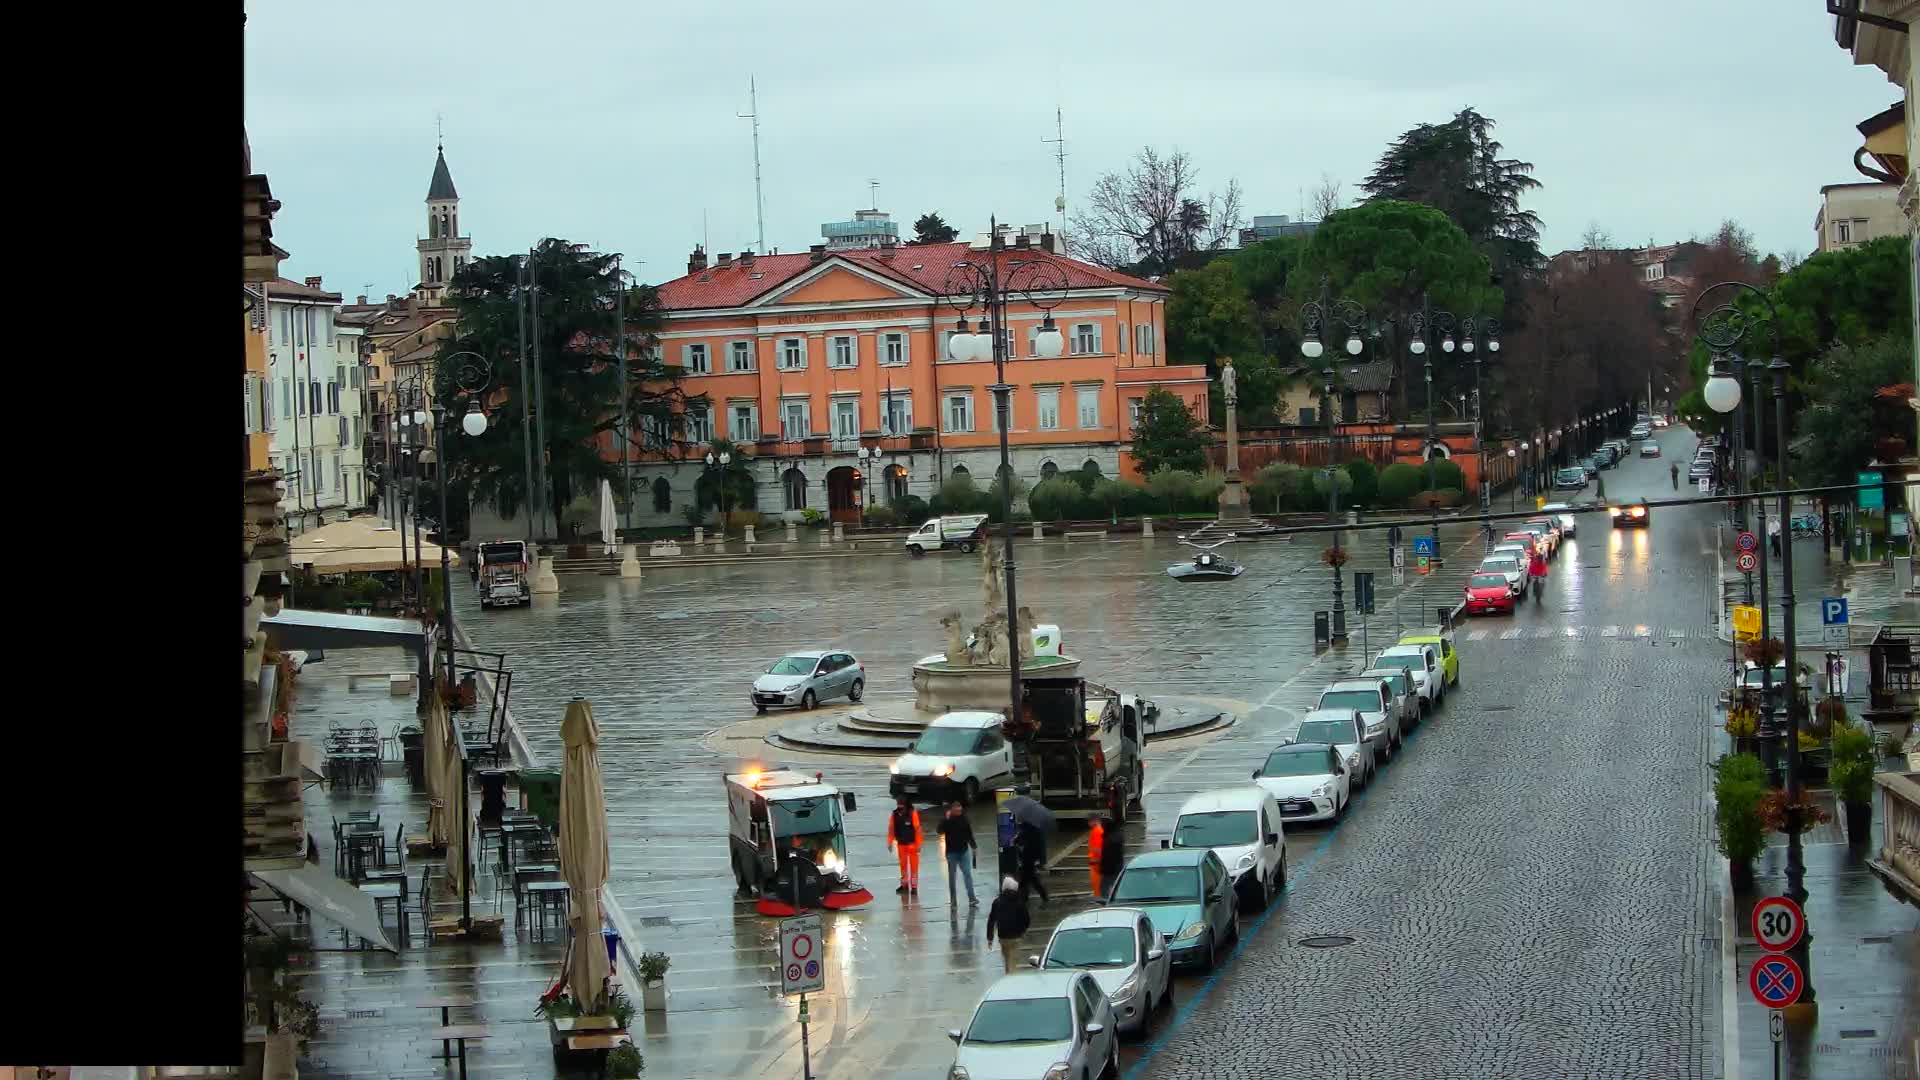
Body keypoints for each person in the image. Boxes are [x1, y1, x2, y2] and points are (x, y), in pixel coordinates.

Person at [984, 876, 1031, 973]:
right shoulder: (1019, 901)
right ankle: (1011, 980)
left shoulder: (997, 902)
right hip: (1016, 936)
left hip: (1003, 937)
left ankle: (1008, 976)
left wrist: (990, 937)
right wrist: (1023, 930)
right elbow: (1026, 919)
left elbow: (992, 920)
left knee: (1007, 959)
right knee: (1012, 961)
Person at [937, 801, 978, 907]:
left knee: (967, 875)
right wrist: (945, 819)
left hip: (963, 851)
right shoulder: (948, 820)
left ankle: (972, 898)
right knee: (952, 877)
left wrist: (974, 846)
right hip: (951, 853)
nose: (959, 812)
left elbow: (969, 834)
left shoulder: (964, 819)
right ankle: (953, 899)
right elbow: (939, 830)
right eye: (956, 810)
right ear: (952, 810)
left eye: (960, 810)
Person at [886, 796, 922, 895]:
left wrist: (919, 844)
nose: (899, 806)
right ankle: (904, 885)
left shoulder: (912, 813)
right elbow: (891, 829)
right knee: (903, 866)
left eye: (901, 804)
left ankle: (914, 887)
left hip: (912, 845)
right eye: (898, 804)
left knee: (914, 867)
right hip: (901, 845)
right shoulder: (895, 814)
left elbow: (917, 829)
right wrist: (889, 842)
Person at [1015, 819, 1050, 904]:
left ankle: (1023, 898)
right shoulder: (1036, 827)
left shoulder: (1028, 827)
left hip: (1028, 856)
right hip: (1031, 856)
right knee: (1030, 878)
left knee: (1027, 879)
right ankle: (1041, 896)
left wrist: (1016, 839)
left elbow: (1021, 838)